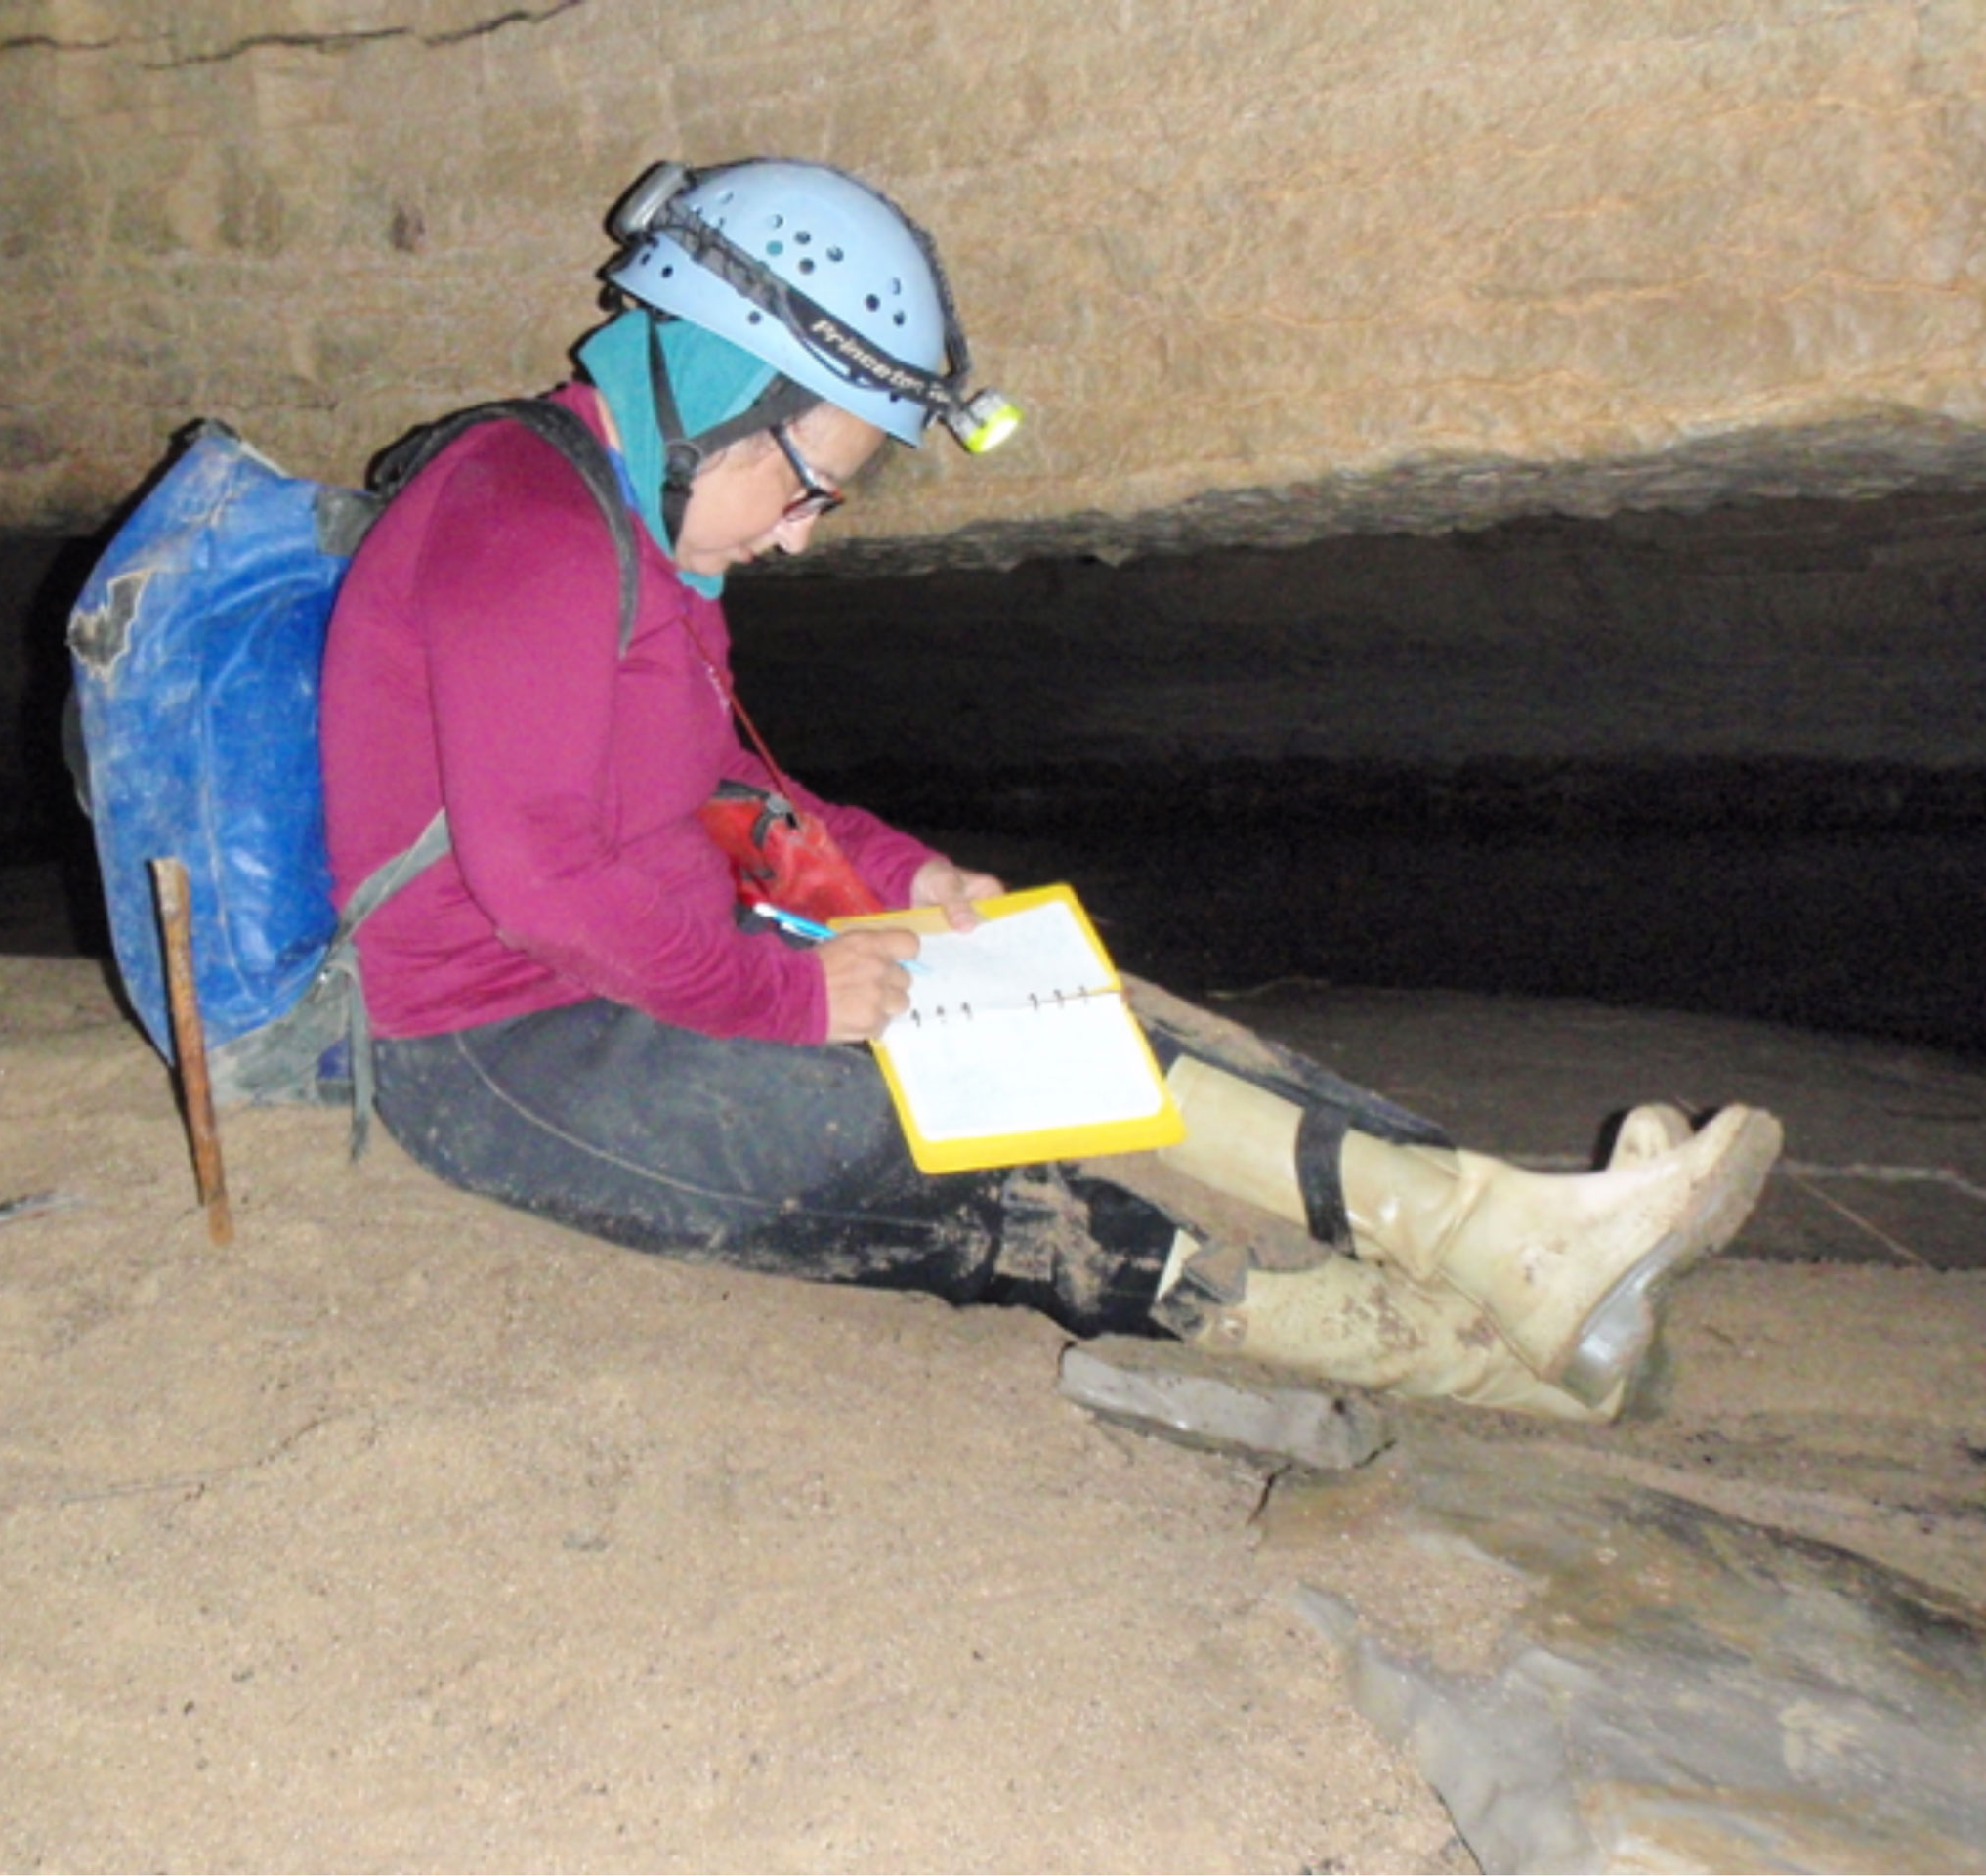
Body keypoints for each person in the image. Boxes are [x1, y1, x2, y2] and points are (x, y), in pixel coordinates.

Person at [317, 157, 1783, 1423]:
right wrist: (790, 999)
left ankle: (1497, 1231)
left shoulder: (651, 537)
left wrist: (899, 886)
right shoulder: (523, 518)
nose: (807, 537)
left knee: (1047, 997)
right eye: (810, 481)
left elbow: (716, 794)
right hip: (505, 1050)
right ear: (714, 385)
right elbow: (540, 885)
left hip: (645, 963)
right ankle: (1469, 1357)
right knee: (930, 1148)